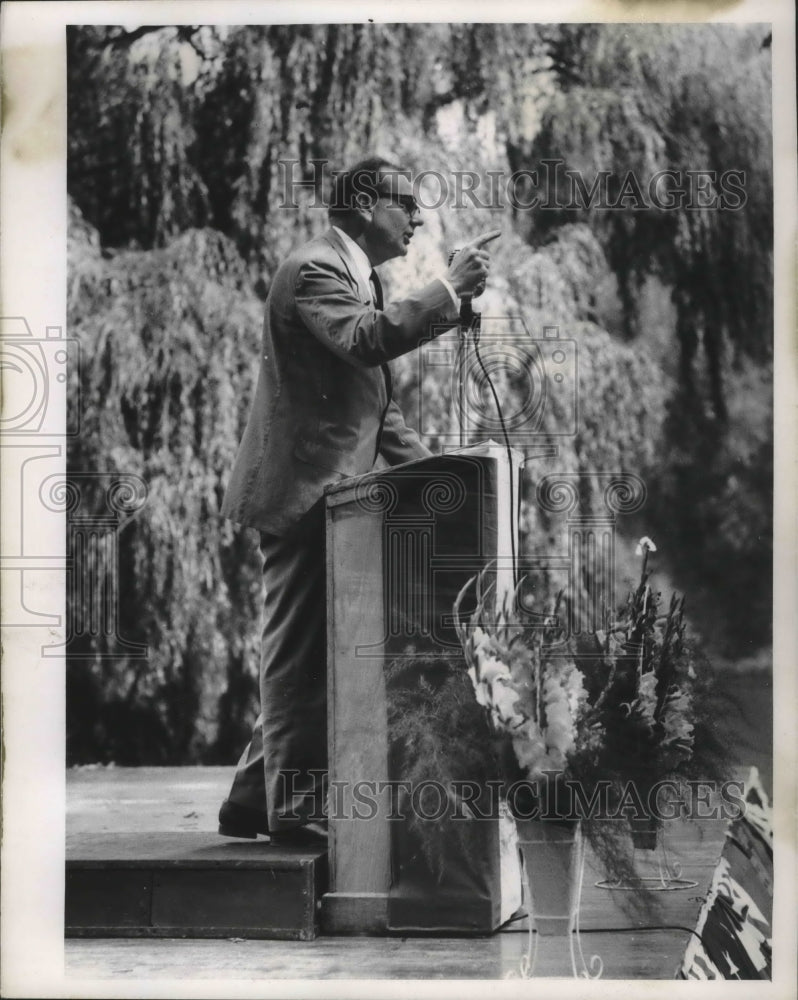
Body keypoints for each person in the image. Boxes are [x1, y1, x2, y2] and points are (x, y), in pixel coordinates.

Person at [217, 156, 498, 844]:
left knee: (309, 650)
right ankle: (295, 811)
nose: (420, 219)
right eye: (409, 205)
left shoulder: (354, 275)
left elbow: (372, 409)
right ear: (368, 204)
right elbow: (367, 343)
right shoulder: (314, 269)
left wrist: (447, 480)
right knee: (298, 653)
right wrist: (447, 292)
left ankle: (253, 799)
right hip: (303, 495)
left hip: (331, 495)